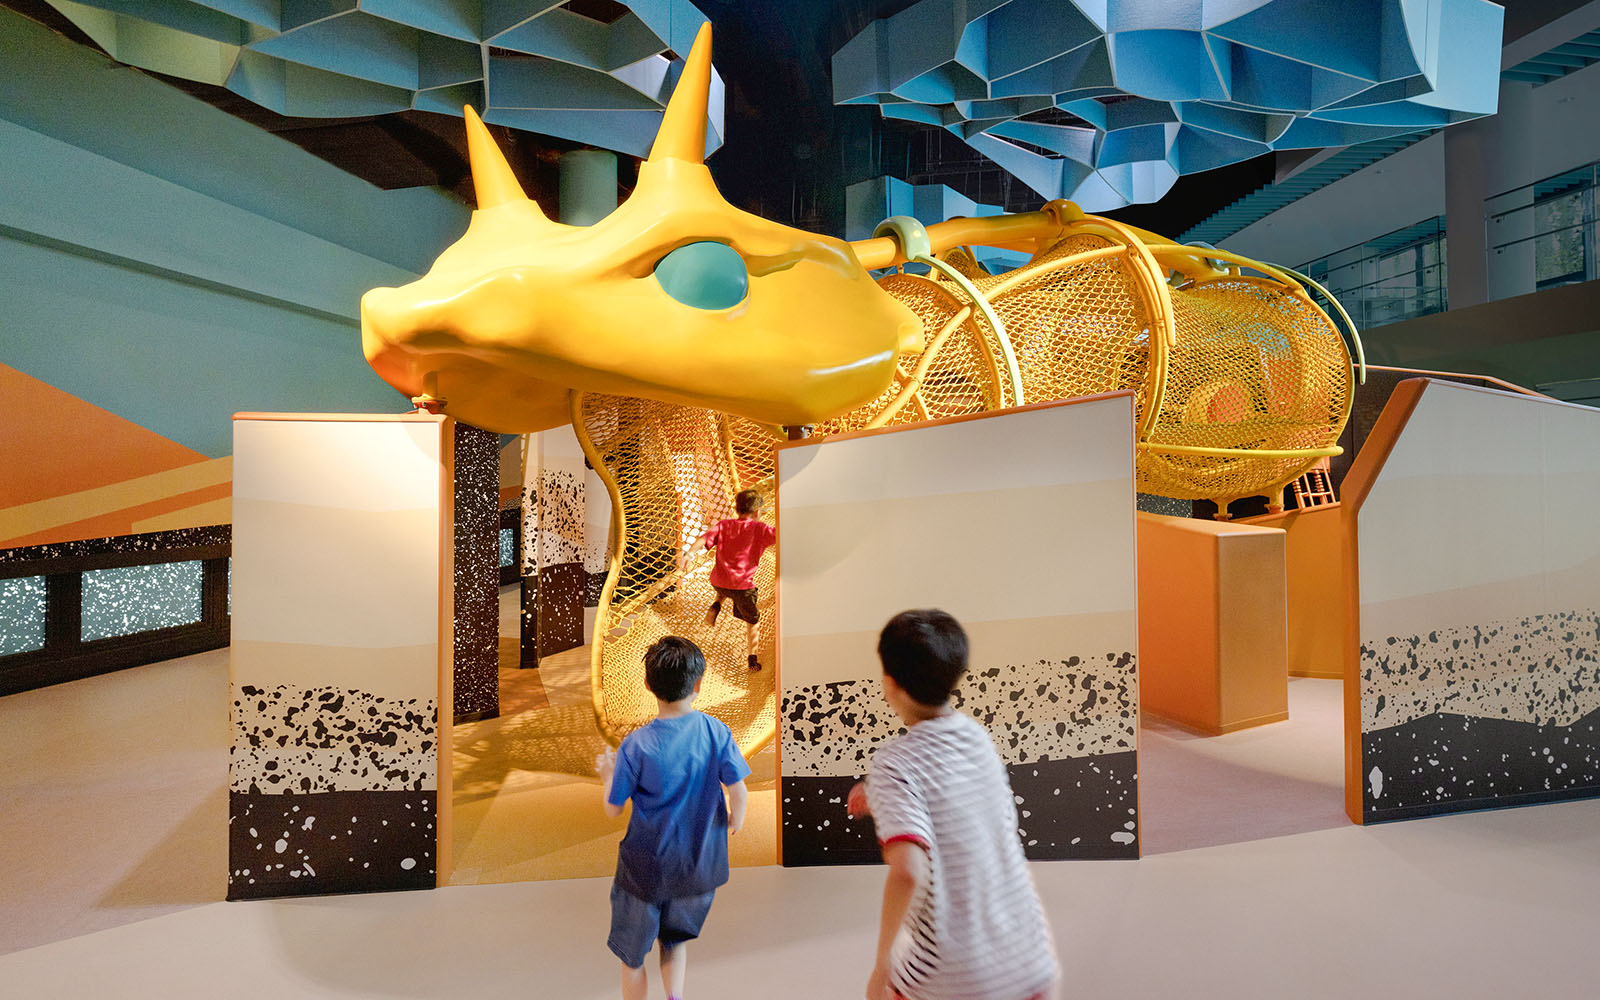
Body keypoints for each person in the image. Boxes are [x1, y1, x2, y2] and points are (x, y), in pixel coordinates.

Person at [850, 609, 1059, 1000]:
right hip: (1028, 962)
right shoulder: (976, 738)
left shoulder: (893, 763)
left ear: (890, 684)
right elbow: (955, 799)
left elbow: (909, 872)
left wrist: (882, 966)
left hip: (952, 979)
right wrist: (880, 794)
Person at [597, 636, 751, 1000]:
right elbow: (739, 791)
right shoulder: (716, 731)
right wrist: (735, 820)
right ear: (699, 684)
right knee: (675, 940)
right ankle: (674, 997)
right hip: (698, 869)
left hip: (644, 870)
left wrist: (608, 773)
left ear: (648, 684)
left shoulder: (636, 745)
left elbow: (613, 808)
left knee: (632, 958)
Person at [697, 489, 776, 671]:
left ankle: (716, 604)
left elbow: (703, 539)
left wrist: (688, 553)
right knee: (753, 621)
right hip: (741, 586)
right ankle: (752, 659)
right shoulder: (760, 529)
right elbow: (781, 534)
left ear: (737, 508)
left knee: (725, 587)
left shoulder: (724, 525)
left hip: (719, 582)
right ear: (757, 512)